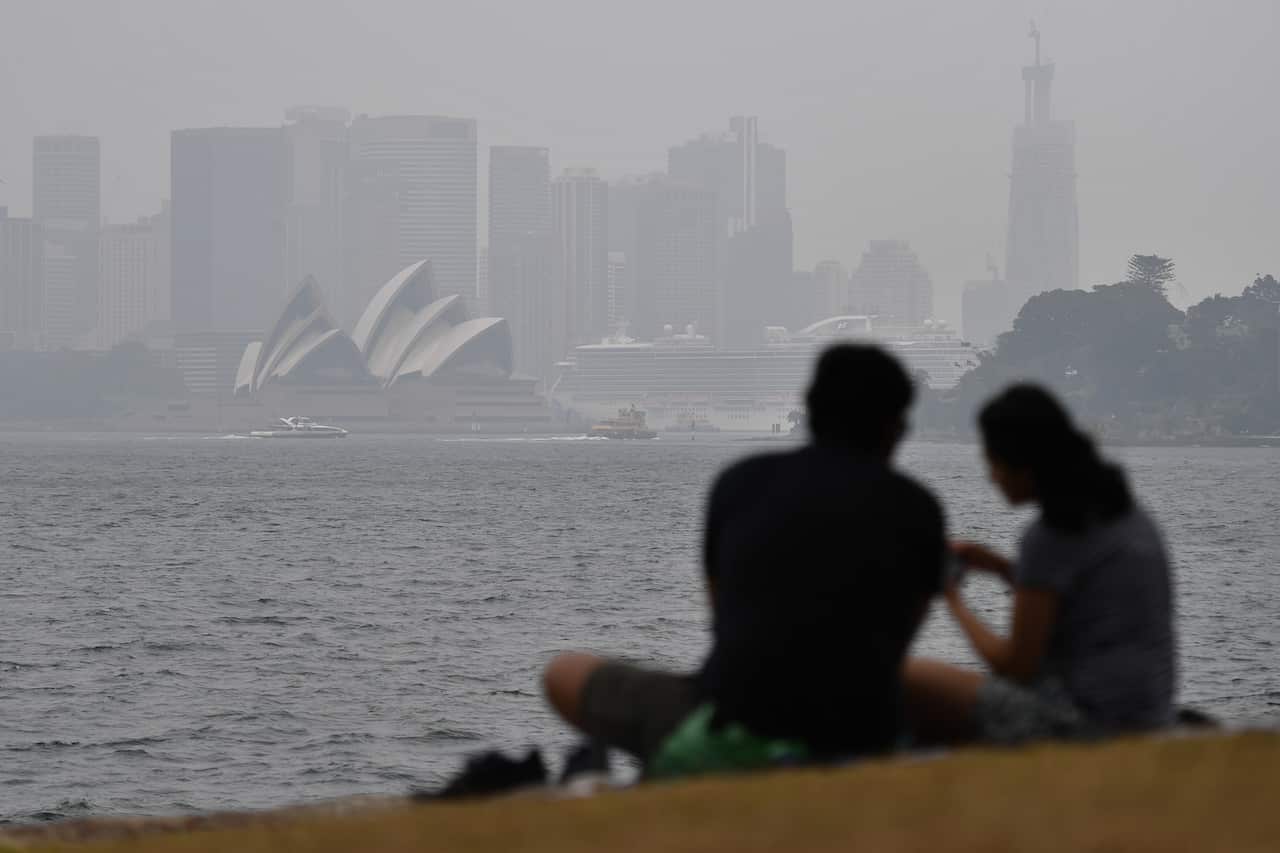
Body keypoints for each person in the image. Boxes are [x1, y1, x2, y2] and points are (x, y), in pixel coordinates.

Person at [543, 345, 945, 773]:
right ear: (894, 426)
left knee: (563, 672)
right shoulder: (917, 506)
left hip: (725, 720)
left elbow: (722, 613)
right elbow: (902, 636)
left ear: (809, 409)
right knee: (929, 684)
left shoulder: (740, 482)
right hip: (859, 730)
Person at [904, 384, 1176, 745]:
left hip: (1083, 725)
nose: (991, 476)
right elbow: (1079, 600)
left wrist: (952, 596)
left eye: (994, 462)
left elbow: (1015, 667)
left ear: (1024, 465)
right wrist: (1002, 568)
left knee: (902, 679)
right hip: (1148, 714)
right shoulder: (1127, 515)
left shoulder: (1049, 535)